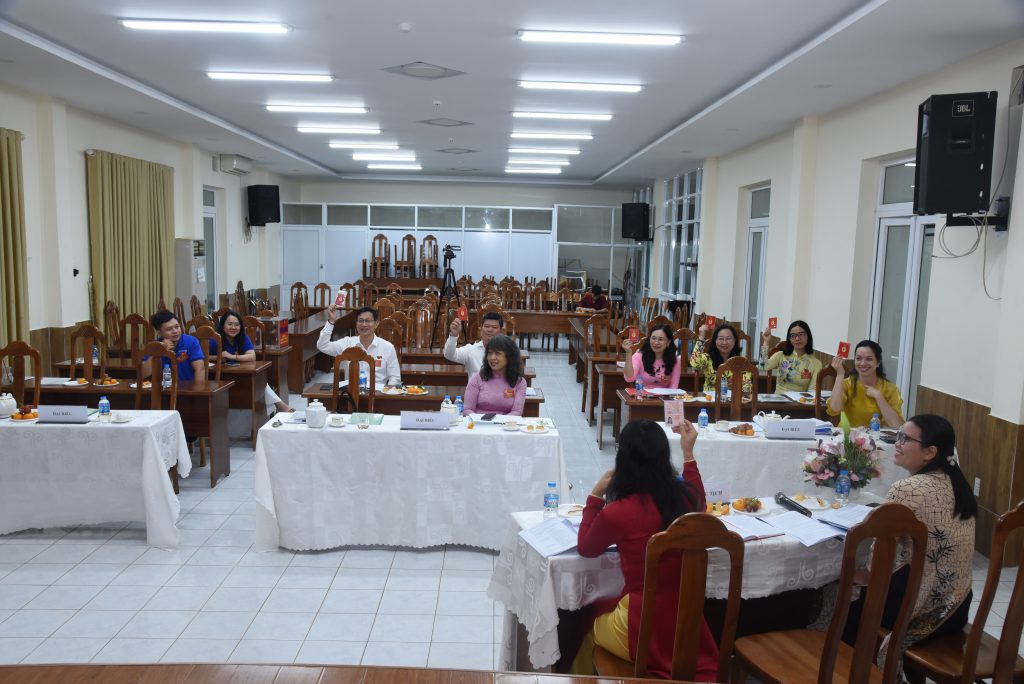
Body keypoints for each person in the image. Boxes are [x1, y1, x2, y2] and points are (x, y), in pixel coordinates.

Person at [571, 419, 718, 681]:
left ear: (623, 460)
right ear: (663, 456)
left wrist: (594, 496)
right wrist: (688, 453)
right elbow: (700, 500)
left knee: (586, 630)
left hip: (641, 624)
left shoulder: (618, 512)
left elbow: (586, 547)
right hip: (685, 622)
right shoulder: (686, 499)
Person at [842, 414, 976, 665]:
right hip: (958, 607)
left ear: (930, 452)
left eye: (905, 439)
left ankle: (854, 672)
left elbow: (881, 551)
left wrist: (867, 575)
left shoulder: (909, 489)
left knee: (846, 602)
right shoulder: (958, 484)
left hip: (922, 610)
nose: (897, 443)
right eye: (898, 436)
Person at [212, 310, 294, 413]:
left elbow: (252, 356)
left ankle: (278, 405)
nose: (233, 327)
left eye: (237, 325)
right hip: (220, 376)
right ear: (223, 325)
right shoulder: (214, 339)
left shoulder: (242, 338)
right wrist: (218, 357)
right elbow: (204, 357)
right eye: (230, 324)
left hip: (241, 373)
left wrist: (232, 356)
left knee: (259, 380)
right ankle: (280, 405)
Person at [317, 305, 401, 387]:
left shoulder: (388, 347)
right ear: (356, 323)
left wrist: (386, 392)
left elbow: (395, 377)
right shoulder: (347, 343)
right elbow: (323, 346)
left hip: (377, 393)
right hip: (351, 392)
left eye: (368, 321)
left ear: (376, 323)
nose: (364, 324)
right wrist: (331, 322)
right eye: (360, 321)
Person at [827, 339, 903, 427]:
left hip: (875, 435)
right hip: (847, 434)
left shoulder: (890, 389)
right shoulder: (848, 384)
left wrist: (879, 397)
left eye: (869, 359)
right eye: (858, 358)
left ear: (878, 363)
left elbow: (896, 425)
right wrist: (840, 374)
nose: (863, 363)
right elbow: (835, 408)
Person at [463, 335, 526, 416]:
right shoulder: (477, 378)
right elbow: (467, 410)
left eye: (497, 353)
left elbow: (517, 412)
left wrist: (499, 422)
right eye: (489, 353)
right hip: (478, 422)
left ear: (509, 356)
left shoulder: (519, 382)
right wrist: (480, 421)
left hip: (506, 423)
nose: (492, 358)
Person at [141, 310, 206, 382]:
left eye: (177, 327)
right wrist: (158, 351)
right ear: (159, 333)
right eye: (169, 329)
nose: (175, 331)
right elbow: (143, 374)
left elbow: (200, 369)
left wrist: (197, 388)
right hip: (164, 387)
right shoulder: (154, 346)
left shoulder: (191, 341)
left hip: (188, 386)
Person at [760, 320, 823, 393]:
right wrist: (766, 341)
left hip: (799, 400)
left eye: (801, 334)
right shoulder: (781, 355)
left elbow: (812, 392)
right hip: (778, 398)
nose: (797, 338)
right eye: (793, 335)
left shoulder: (816, 364)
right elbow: (763, 367)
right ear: (789, 339)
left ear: (808, 336)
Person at [443, 311, 505, 376]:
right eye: (487, 326)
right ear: (481, 329)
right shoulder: (471, 350)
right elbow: (449, 355)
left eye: (494, 327)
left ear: (501, 331)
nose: (490, 330)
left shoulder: (507, 351)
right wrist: (453, 335)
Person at [690, 322, 745, 392]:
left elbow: (747, 386)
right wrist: (701, 338)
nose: (724, 342)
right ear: (715, 341)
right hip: (710, 397)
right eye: (721, 339)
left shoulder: (741, 361)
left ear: (734, 341)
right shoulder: (708, 358)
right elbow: (694, 363)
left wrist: (738, 385)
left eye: (728, 339)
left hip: (733, 398)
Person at [623, 324, 681, 389]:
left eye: (660, 339)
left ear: (668, 342)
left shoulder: (675, 360)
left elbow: (674, 387)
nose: (656, 343)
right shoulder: (639, 356)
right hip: (643, 394)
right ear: (649, 339)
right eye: (653, 338)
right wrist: (628, 353)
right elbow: (629, 378)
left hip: (665, 395)